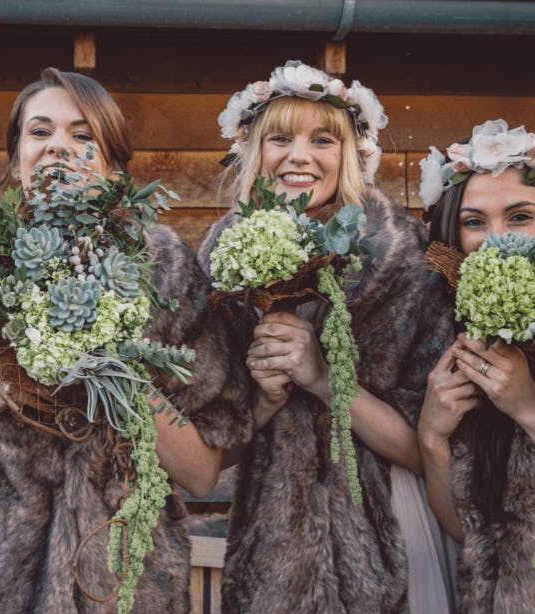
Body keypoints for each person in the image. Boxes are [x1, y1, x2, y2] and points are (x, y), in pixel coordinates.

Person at [0, 67, 244, 613]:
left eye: (83, 136)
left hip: (130, 587)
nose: (59, 146)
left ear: (113, 167)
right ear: (15, 159)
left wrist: (120, 376)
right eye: (40, 131)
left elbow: (199, 473)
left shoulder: (165, 267)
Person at [196, 60, 457, 612]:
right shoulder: (218, 267)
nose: (299, 156)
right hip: (270, 543)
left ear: (352, 155)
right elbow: (213, 452)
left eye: (323, 139)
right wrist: (264, 400)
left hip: (388, 531)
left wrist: (323, 378)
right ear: (252, 151)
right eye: (279, 138)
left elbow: (426, 448)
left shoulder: (410, 265)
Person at [418, 119, 535, 611]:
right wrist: (432, 435)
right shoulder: (461, 340)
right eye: (474, 222)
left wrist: (527, 409)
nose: (496, 239)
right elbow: (462, 529)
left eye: (520, 217)